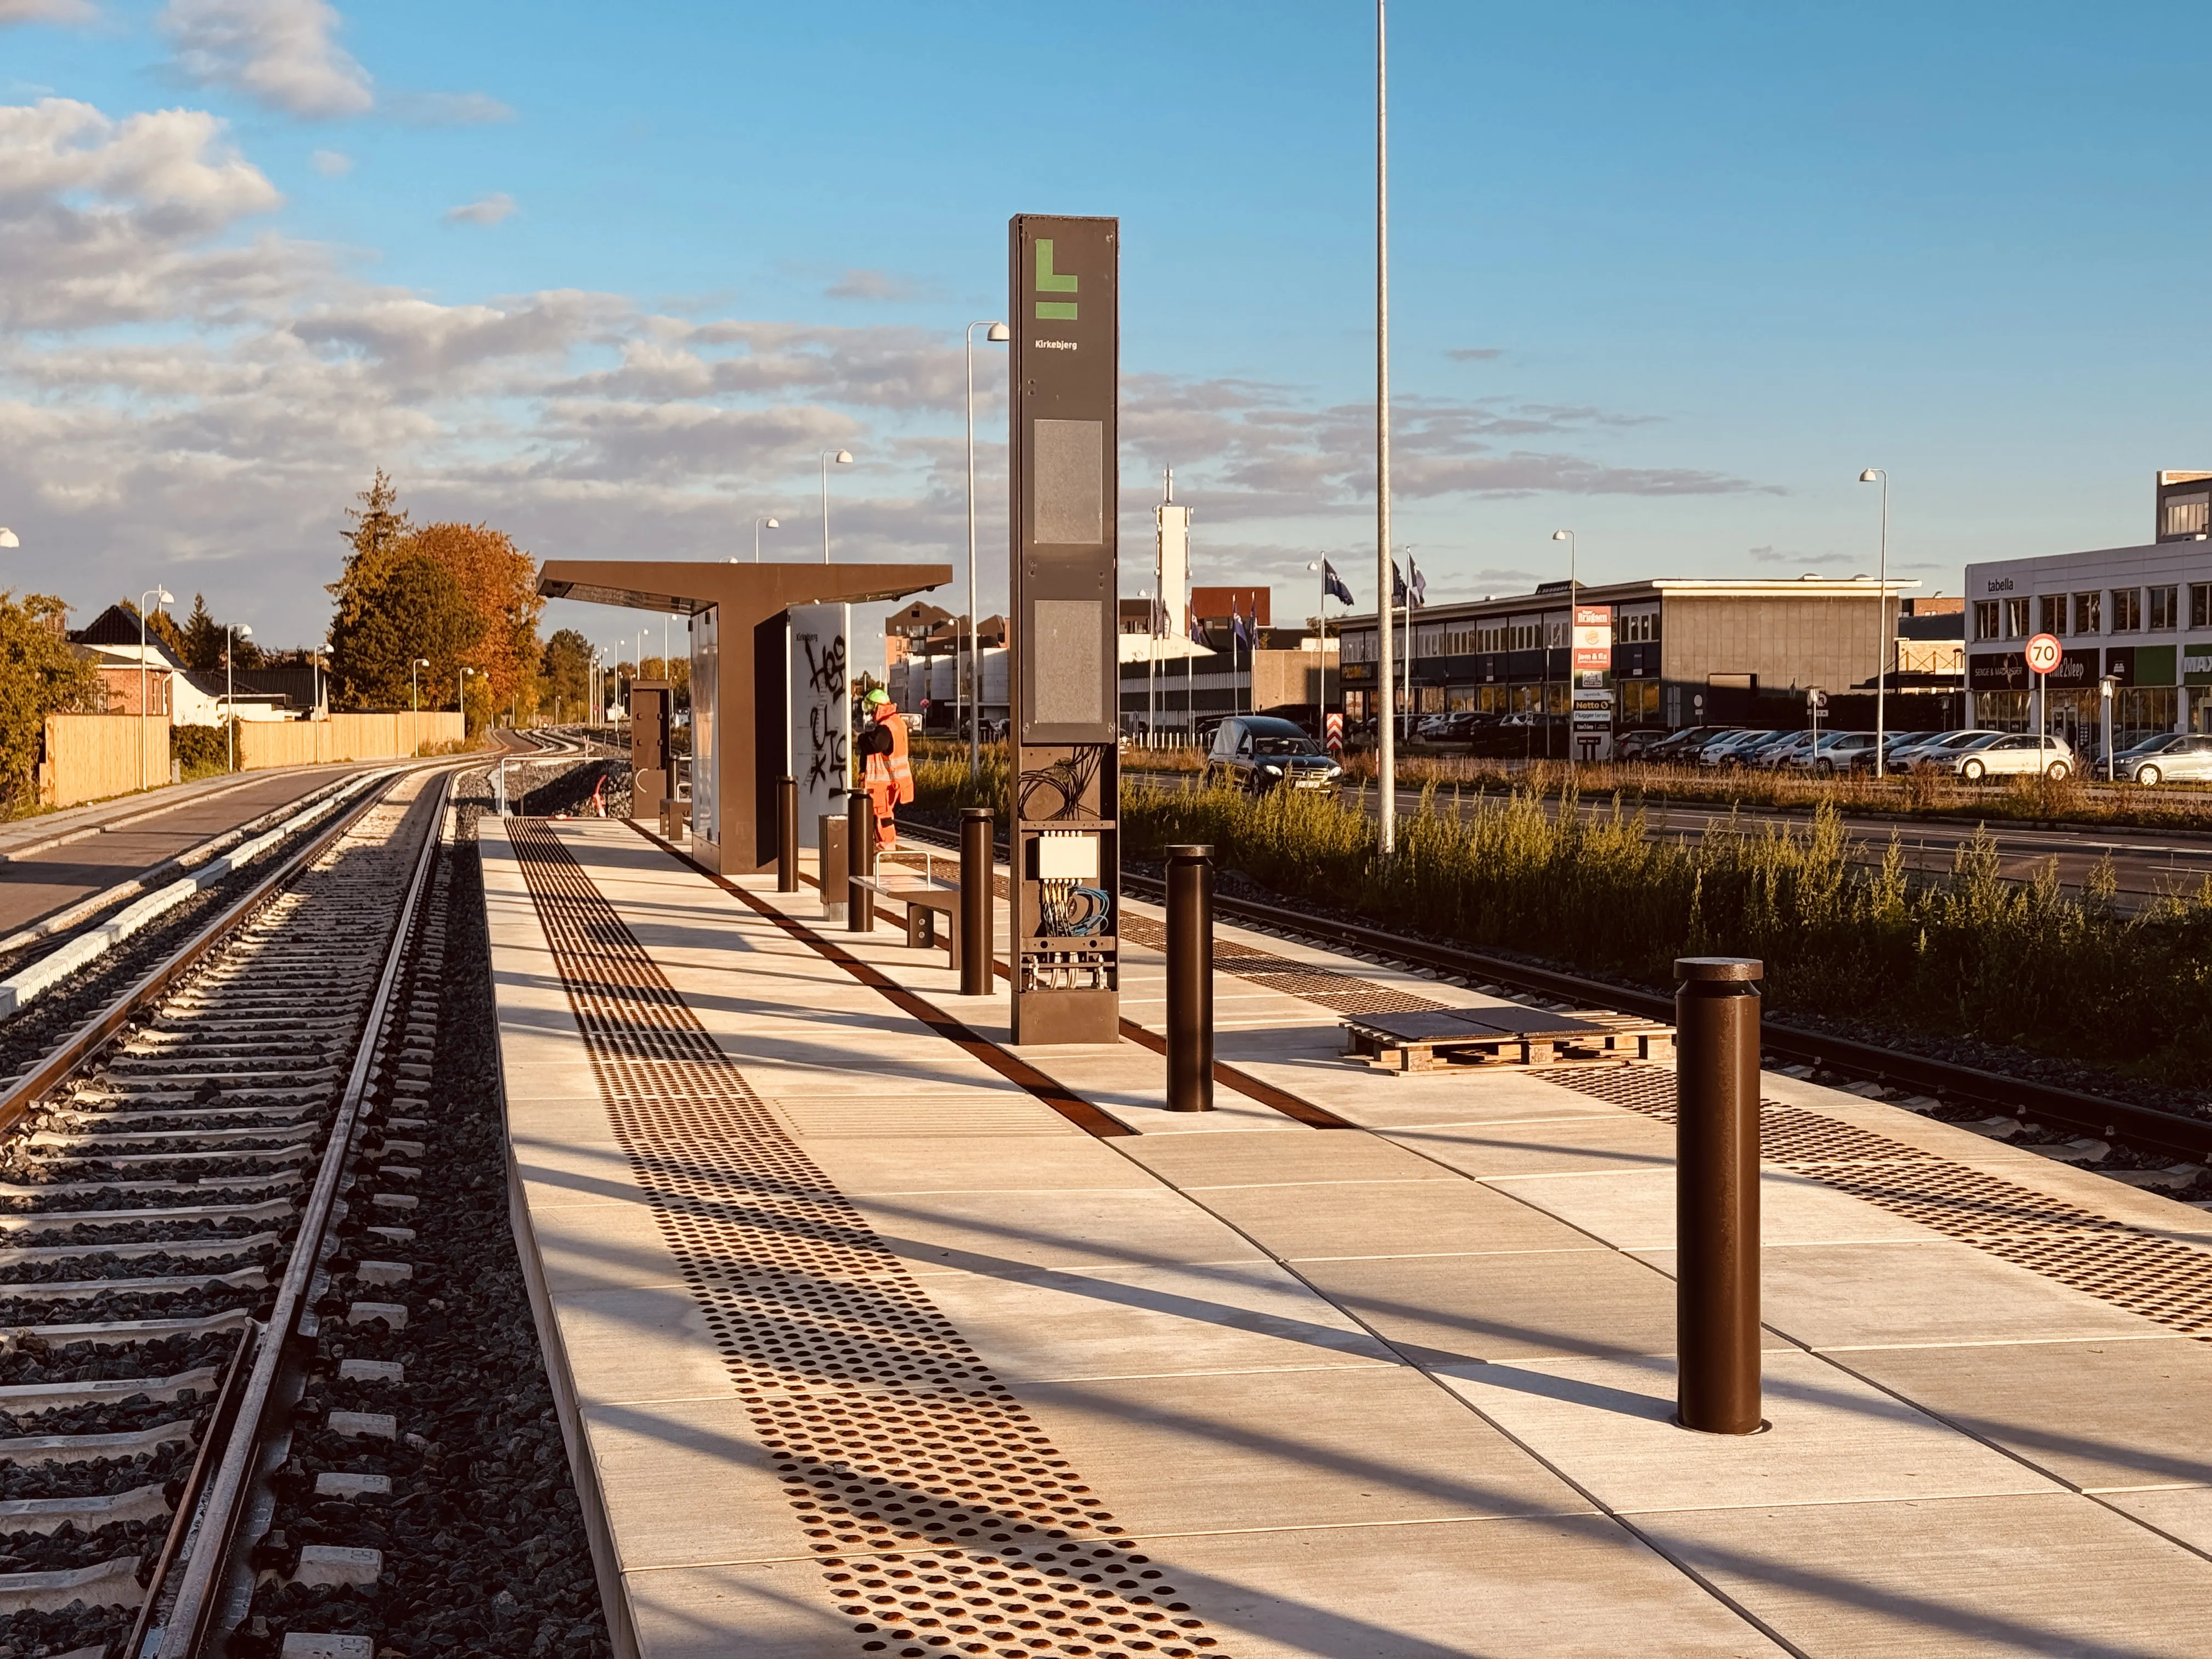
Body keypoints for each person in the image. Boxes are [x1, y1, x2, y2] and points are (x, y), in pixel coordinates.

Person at [855, 687, 912, 850]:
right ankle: (885, 844)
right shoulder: (895, 722)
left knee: (882, 814)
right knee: (883, 814)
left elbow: (876, 745)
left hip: (884, 783)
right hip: (892, 780)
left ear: (878, 707)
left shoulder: (886, 727)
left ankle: (886, 846)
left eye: (872, 709)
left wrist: (861, 738)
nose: (871, 713)